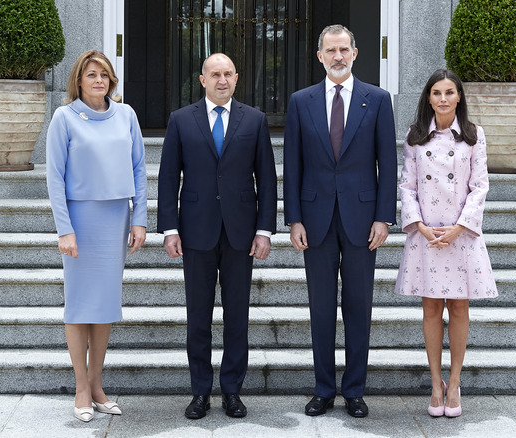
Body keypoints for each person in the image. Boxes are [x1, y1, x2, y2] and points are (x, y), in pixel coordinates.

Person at [283, 24, 397, 418]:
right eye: (330, 50)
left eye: (343, 49)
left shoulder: (378, 100)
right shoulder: (300, 101)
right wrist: (293, 218)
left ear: (355, 52)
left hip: (363, 221)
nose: (337, 56)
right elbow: (292, 164)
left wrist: (385, 217)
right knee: (320, 307)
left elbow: (388, 163)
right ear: (319, 56)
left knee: (358, 306)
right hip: (314, 221)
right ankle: (323, 389)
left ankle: (355, 391)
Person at [157, 53, 276, 420]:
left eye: (227, 74)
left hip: (241, 233)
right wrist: (170, 228)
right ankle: (200, 392)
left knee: (237, 316)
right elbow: (167, 177)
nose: (221, 80)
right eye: (215, 74)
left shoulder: (254, 120)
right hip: (196, 231)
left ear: (236, 79)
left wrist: (264, 230)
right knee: (199, 317)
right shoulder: (181, 120)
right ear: (202, 79)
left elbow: (267, 180)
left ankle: (232, 392)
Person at [46, 50, 147, 422]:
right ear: (79, 79)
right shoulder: (64, 118)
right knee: (79, 305)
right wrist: (64, 229)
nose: (99, 80)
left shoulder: (127, 115)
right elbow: (54, 177)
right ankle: (80, 388)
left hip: (116, 216)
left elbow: (138, 167)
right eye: (91, 74)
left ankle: (97, 383)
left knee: (105, 303)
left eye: (104, 74)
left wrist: (140, 219)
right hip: (80, 218)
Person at [395, 69, 498, 418]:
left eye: (449, 92)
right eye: (436, 92)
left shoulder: (473, 135)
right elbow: (407, 185)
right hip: (427, 233)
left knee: (458, 308)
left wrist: (461, 226)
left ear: (459, 97)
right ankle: (435, 382)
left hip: (459, 234)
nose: (442, 98)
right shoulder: (415, 136)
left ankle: (455, 382)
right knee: (430, 309)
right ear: (428, 98)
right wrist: (418, 225)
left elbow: (480, 186)